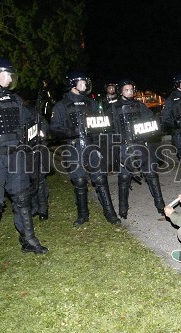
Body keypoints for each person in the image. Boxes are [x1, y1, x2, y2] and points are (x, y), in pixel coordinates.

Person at [0, 57, 49, 273]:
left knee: (23, 200)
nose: (10, 78)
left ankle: (29, 240)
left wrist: (41, 126)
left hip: (16, 158)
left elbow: (30, 120)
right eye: (6, 74)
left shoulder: (15, 99)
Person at [50, 70, 121, 226]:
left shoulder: (92, 103)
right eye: (82, 82)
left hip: (92, 146)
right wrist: (70, 131)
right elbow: (54, 128)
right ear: (72, 84)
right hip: (73, 147)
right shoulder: (61, 105)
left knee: (101, 179)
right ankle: (83, 215)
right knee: (80, 181)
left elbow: (103, 123)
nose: (86, 85)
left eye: (86, 81)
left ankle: (110, 214)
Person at [111, 79, 165, 217]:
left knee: (151, 174)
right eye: (126, 90)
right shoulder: (113, 107)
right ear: (121, 91)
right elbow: (110, 129)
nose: (129, 92)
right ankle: (123, 210)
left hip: (141, 144)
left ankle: (161, 206)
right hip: (124, 145)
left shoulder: (140, 105)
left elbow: (151, 122)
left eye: (131, 89)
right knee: (124, 177)